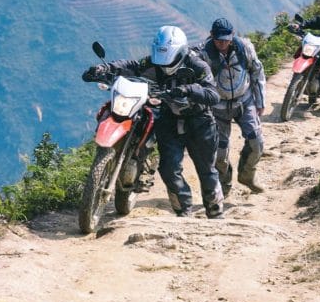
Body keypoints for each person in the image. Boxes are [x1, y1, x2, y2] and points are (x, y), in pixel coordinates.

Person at [82, 26, 225, 219]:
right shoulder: (155, 62)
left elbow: (213, 94)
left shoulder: (198, 66)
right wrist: (106, 68)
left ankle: (215, 213)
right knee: (168, 168)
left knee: (206, 169)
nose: (163, 66)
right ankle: (184, 212)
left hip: (199, 121)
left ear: (181, 53)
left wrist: (189, 89)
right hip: (169, 118)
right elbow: (132, 65)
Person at [197, 18, 267, 195]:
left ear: (233, 35)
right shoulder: (203, 54)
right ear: (211, 36)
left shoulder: (244, 48)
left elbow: (257, 72)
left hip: (244, 100)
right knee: (219, 152)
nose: (223, 43)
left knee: (256, 142)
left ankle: (247, 175)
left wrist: (260, 101)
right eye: (219, 39)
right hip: (218, 106)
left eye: (226, 39)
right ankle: (224, 181)